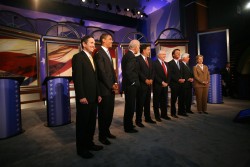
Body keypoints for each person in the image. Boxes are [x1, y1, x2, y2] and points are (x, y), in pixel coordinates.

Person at [72, 35, 103, 159]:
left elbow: (95, 79)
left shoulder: (92, 58)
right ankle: (81, 149)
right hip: (84, 98)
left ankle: (90, 144)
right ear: (84, 44)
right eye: (91, 42)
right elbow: (77, 78)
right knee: (82, 124)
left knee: (91, 123)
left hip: (94, 97)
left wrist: (99, 93)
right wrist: (81, 96)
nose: (93, 44)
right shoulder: (78, 57)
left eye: (94, 42)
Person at [94, 34, 118, 145]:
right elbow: (102, 73)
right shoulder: (99, 53)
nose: (112, 41)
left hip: (110, 88)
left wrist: (116, 82)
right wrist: (110, 85)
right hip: (104, 89)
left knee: (110, 113)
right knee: (104, 114)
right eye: (110, 39)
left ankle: (107, 131)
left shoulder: (108, 53)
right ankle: (102, 136)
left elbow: (111, 72)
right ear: (103, 40)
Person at [121, 39, 140, 133]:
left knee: (129, 106)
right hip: (131, 86)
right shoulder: (131, 56)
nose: (139, 48)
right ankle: (128, 127)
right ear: (135, 47)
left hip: (128, 85)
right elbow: (129, 71)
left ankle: (128, 124)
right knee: (130, 107)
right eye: (139, 47)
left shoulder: (126, 55)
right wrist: (133, 82)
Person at [135, 44, 156, 127]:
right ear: (143, 50)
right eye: (148, 49)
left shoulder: (150, 60)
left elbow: (153, 71)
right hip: (141, 85)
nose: (149, 51)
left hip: (149, 85)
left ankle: (148, 118)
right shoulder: (137, 59)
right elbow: (138, 71)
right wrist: (145, 80)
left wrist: (151, 79)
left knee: (147, 102)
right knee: (140, 103)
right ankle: (138, 120)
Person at [153, 50, 171, 122]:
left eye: (165, 54)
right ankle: (157, 116)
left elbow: (169, 74)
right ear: (159, 55)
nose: (164, 56)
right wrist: (161, 82)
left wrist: (167, 83)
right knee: (156, 101)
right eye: (163, 54)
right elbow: (154, 75)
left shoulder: (166, 63)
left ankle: (164, 115)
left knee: (164, 101)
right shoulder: (154, 63)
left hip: (165, 85)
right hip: (158, 85)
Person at [168, 49, 186, 118]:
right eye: (177, 53)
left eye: (179, 52)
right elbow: (170, 74)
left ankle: (181, 112)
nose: (179, 54)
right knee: (174, 100)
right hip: (174, 84)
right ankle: (173, 113)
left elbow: (183, 73)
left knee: (182, 99)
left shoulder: (181, 63)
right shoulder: (170, 63)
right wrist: (178, 79)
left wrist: (183, 79)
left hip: (182, 84)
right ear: (173, 55)